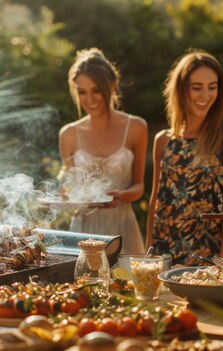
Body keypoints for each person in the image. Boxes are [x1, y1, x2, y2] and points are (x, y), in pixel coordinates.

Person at [146, 50, 223, 265]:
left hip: (206, 252)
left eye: (212, 87)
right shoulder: (163, 140)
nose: (205, 95)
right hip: (163, 250)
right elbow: (156, 201)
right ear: (181, 90)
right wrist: (148, 253)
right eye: (196, 88)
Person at [58, 48, 147, 255]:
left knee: (127, 286)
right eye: (82, 92)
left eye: (96, 90)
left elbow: (139, 186)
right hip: (83, 231)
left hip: (123, 227)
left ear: (112, 85)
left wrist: (122, 195)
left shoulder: (135, 128)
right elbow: (69, 189)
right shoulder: (69, 134)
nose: (89, 99)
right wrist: (64, 195)